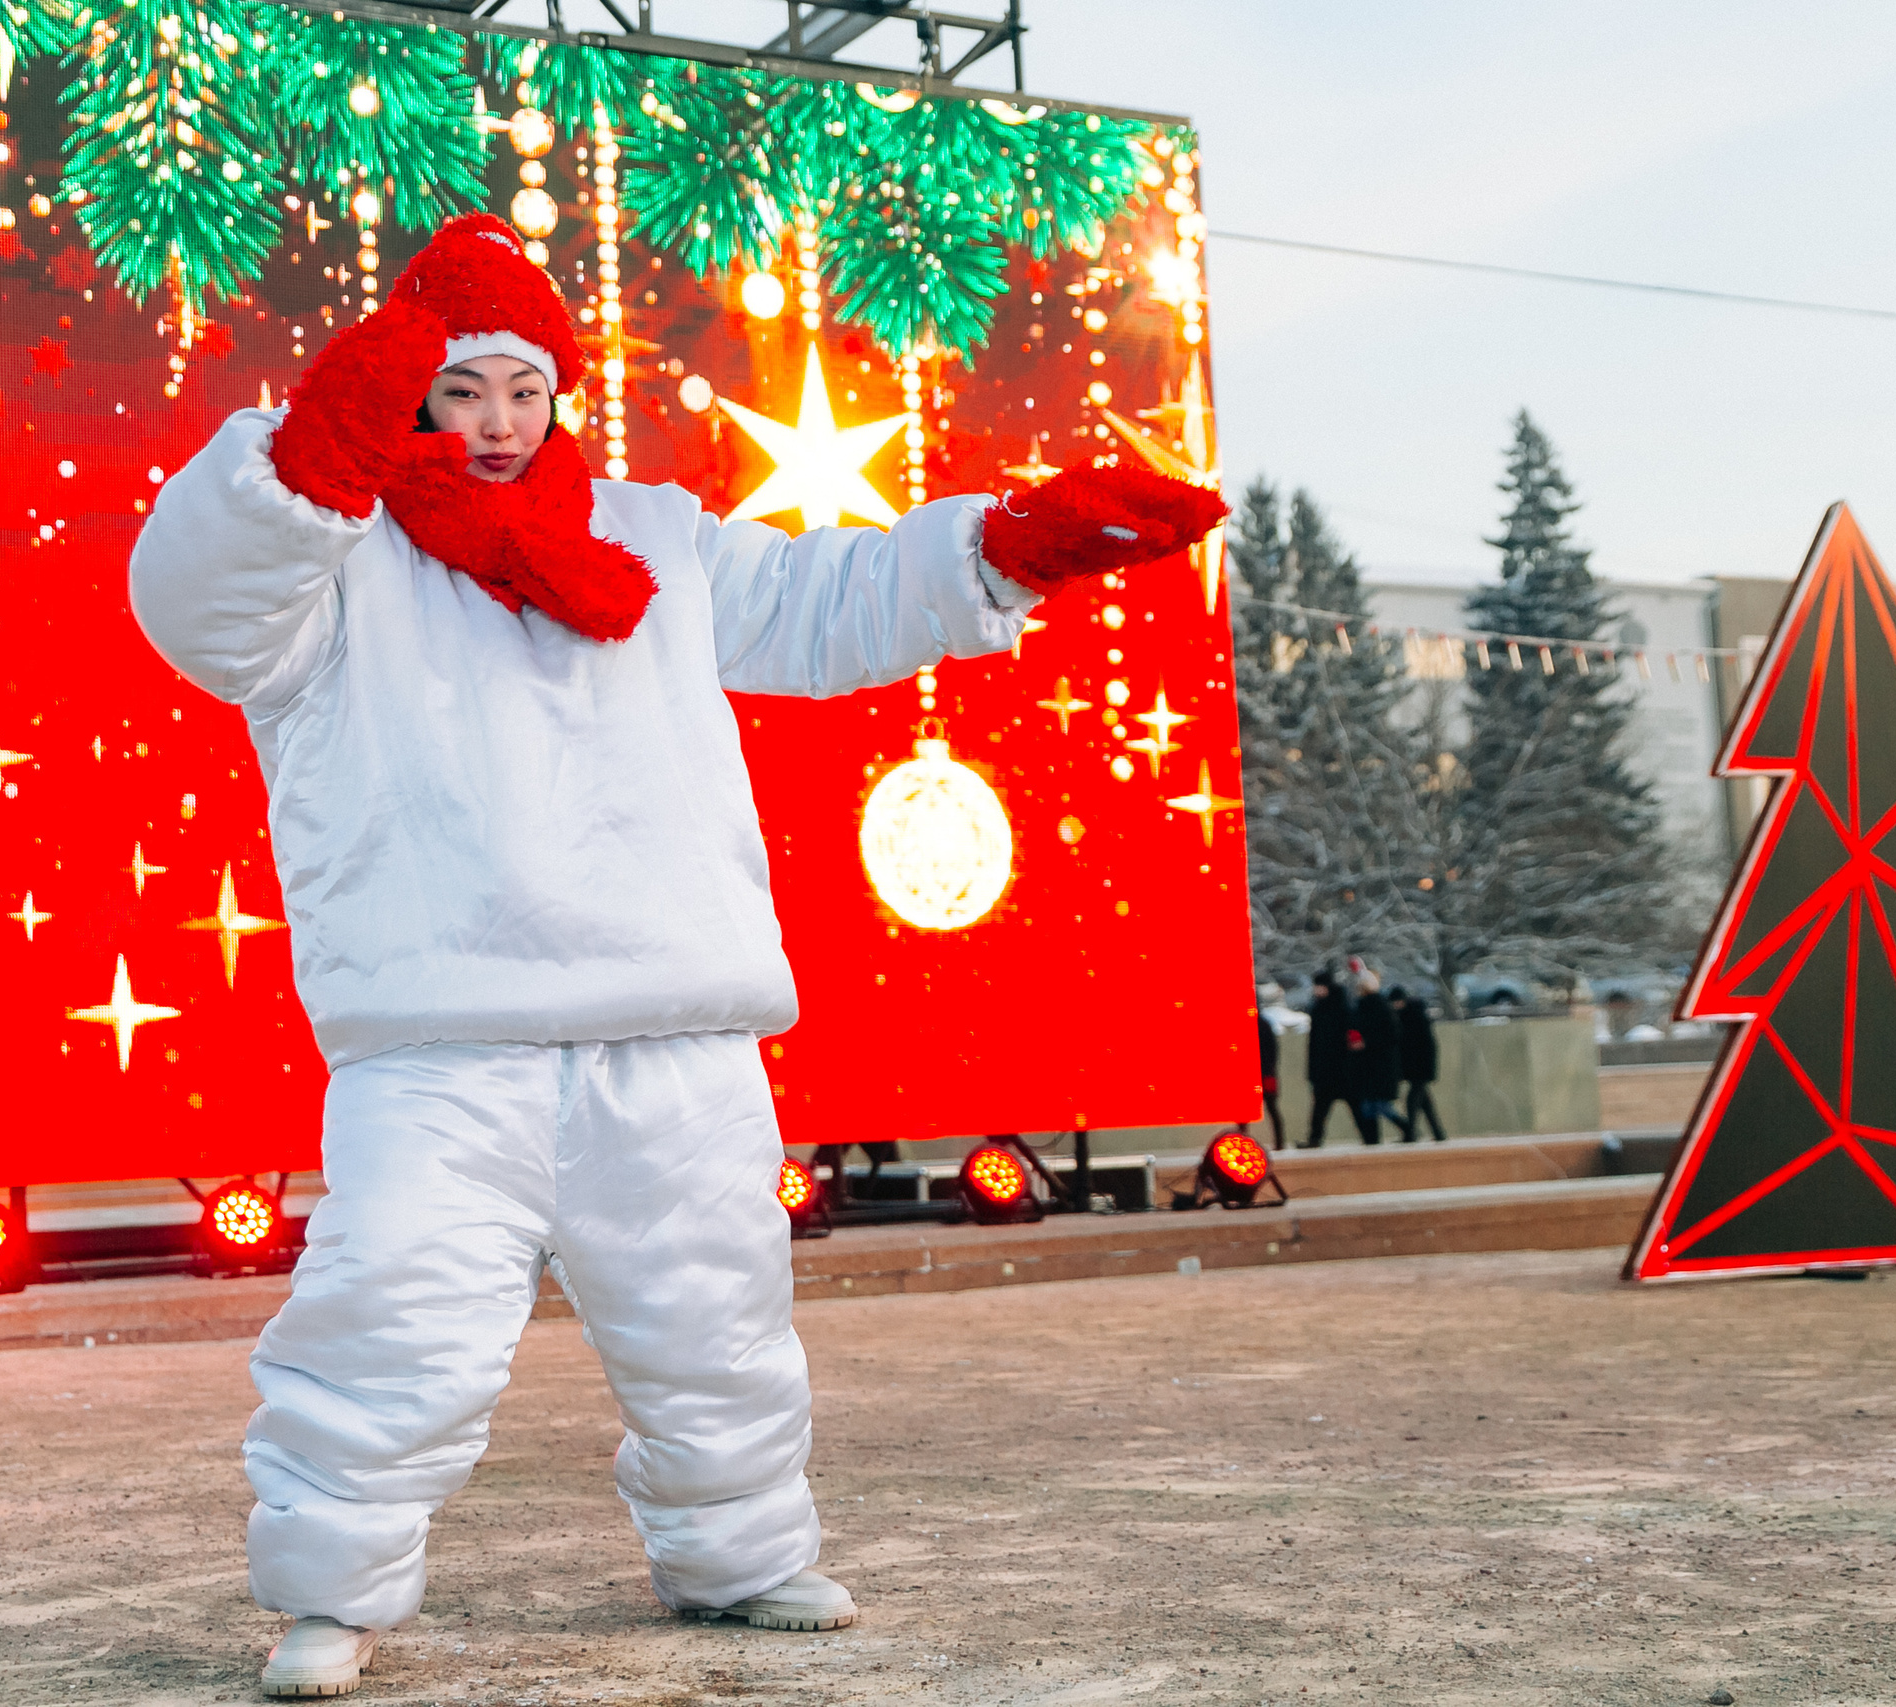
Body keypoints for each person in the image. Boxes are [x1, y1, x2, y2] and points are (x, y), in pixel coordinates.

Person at [127, 214, 1227, 1698]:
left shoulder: (653, 536)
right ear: (410, 395)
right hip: (443, 1034)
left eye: (524, 388)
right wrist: (300, 469)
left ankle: (742, 1555)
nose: (498, 421)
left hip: (672, 1022)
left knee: (716, 1315)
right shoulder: (339, 558)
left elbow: (828, 600)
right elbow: (197, 605)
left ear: (559, 391)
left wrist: (1001, 548)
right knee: (388, 1322)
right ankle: (328, 1596)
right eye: (463, 391)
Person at [1345, 969, 1400, 1145]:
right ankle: (1372, 1139)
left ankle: (1377, 1137)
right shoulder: (1367, 1007)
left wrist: (1366, 1042)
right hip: (1370, 1063)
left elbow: (1390, 1035)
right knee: (1370, 1105)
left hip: (1377, 1063)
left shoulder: (1377, 1007)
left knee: (1376, 1105)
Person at [1389, 986, 1446, 1141]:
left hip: (1420, 1066)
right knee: (1425, 1102)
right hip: (1418, 1066)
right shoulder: (1410, 1015)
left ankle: (1411, 1132)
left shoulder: (1412, 1017)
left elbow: (1417, 1044)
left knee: (1412, 1099)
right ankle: (1438, 1133)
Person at [1304, 970, 1351, 1148]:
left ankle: (1315, 1138)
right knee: (1321, 1107)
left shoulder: (1334, 1008)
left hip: (1336, 1066)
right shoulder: (1324, 1008)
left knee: (1350, 1103)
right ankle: (1314, 1138)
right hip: (1328, 1068)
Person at [1254, 980, 1287, 1151]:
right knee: (1272, 1108)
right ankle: (1279, 1143)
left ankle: (1242, 1141)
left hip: (1263, 1074)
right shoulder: (1264, 1024)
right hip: (1266, 1073)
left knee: (1270, 1108)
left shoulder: (1262, 1025)